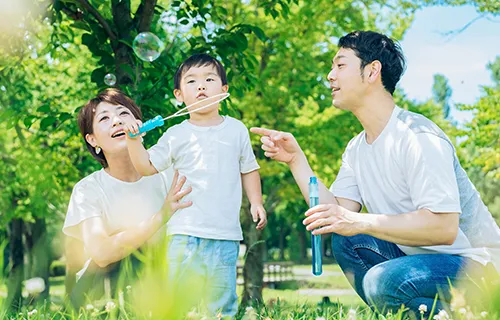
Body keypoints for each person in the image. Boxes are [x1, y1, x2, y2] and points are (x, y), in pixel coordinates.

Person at [251, 31, 500, 315]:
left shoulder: (418, 136)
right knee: (346, 239)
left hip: (479, 268)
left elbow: (443, 228)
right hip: (420, 264)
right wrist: (296, 160)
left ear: (372, 71)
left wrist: (359, 221)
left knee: (382, 280)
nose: (330, 75)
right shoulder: (357, 149)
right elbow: (336, 215)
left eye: (340, 65)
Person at [123, 53, 267, 317]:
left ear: (224, 90)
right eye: (192, 81)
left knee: (222, 303)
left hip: (225, 235)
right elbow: (145, 167)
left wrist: (256, 202)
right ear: (179, 95)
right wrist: (134, 141)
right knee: (180, 303)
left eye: (209, 79)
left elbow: (249, 169)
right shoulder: (176, 134)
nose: (201, 86)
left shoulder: (237, 130)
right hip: (184, 232)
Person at [63, 89, 192, 310]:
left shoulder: (170, 174)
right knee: (133, 248)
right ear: (92, 139)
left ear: (141, 125)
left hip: (160, 288)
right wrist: (162, 215)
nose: (116, 121)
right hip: (103, 295)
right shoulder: (88, 189)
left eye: (124, 113)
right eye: (104, 118)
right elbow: (102, 253)